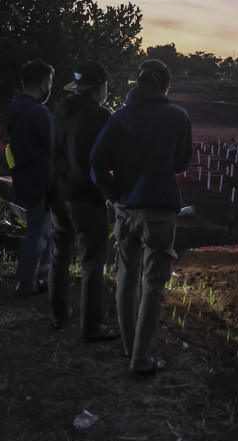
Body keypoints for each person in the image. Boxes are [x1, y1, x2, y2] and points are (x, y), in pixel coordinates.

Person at [90, 59, 192, 375]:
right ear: (165, 86)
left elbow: (96, 160)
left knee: (126, 277)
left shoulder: (120, 117)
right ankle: (141, 357)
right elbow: (180, 164)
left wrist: (114, 195)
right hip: (159, 213)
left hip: (125, 211)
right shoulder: (177, 116)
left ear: (137, 83)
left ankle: (127, 346)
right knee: (153, 284)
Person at [48, 60, 119, 340]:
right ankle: (90, 327)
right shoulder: (100, 116)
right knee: (91, 261)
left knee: (59, 255)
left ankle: (58, 315)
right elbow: (110, 158)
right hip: (85, 198)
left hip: (57, 193)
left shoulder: (60, 111)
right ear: (99, 86)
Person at [6, 60, 54, 296]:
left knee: (44, 226)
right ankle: (26, 281)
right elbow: (56, 146)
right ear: (44, 84)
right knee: (38, 230)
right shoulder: (39, 112)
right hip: (40, 179)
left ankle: (44, 269)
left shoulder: (14, 108)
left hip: (23, 176)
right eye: (50, 84)